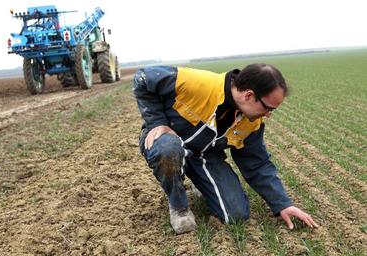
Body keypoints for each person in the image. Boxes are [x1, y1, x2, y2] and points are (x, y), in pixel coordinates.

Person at [133, 64, 319, 234]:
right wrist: (157, 122)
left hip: (203, 155)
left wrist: (282, 204)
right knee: (168, 149)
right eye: (268, 108)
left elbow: (257, 164)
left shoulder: (251, 122)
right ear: (248, 95)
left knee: (236, 215)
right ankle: (178, 206)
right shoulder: (198, 84)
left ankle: (199, 180)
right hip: (166, 139)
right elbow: (143, 77)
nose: (268, 115)